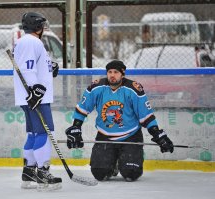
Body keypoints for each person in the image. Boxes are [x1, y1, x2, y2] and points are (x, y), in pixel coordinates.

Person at [65, 60, 174, 182]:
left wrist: (157, 134)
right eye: (109, 72)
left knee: (131, 174)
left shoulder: (133, 89)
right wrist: (76, 128)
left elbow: (146, 115)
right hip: (105, 135)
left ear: (123, 74)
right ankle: (113, 165)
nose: (112, 75)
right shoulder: (97, 87)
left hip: (131, 136)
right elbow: (82, 109)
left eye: (116, 72)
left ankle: (126, 161)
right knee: (100, 174)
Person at [13, 12, 61, 190]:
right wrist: (36, 91)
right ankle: (42, 172)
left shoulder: (26, 42)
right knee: (44, 133)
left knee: (34, 133)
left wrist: (50, 68)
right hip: (36, 98)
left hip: (31, 97)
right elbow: (27, 69)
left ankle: (29, 170)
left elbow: (33, 66)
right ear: (38, 26)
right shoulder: (31, 42)